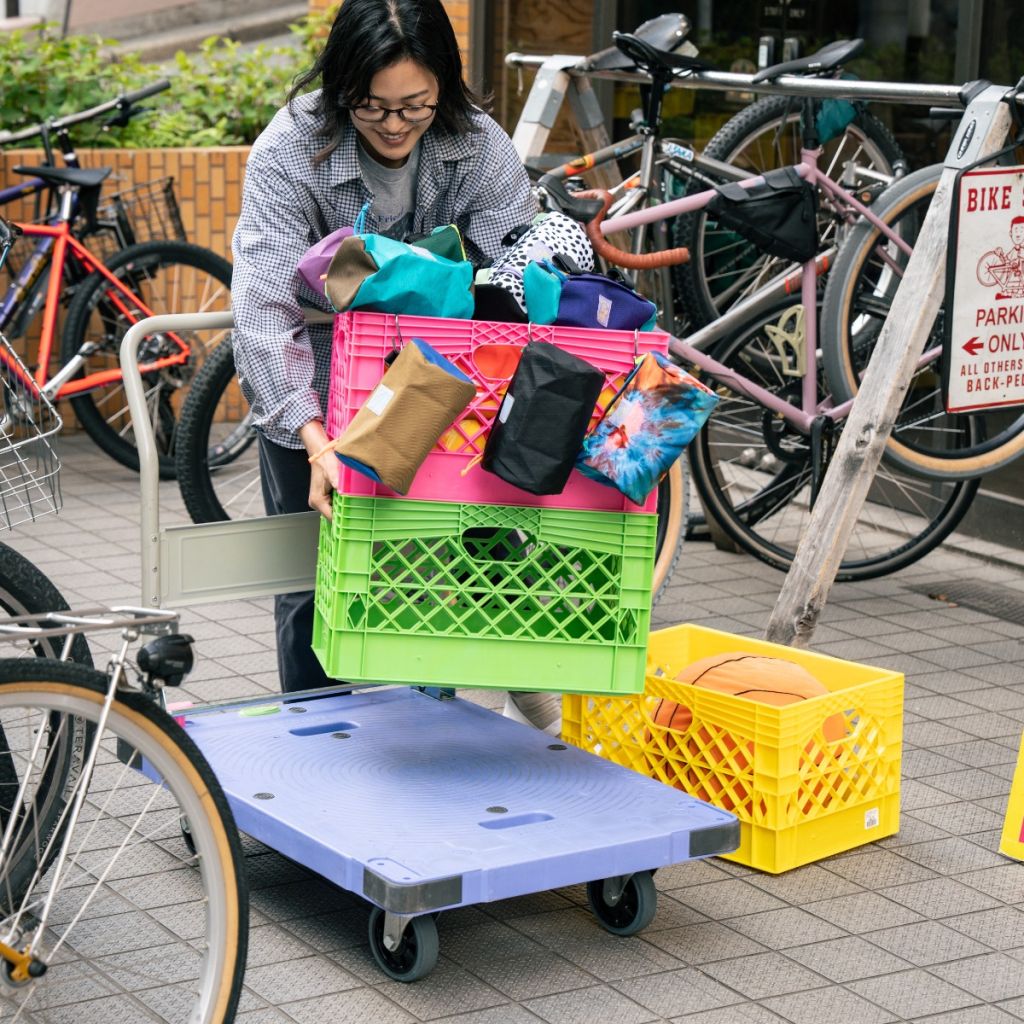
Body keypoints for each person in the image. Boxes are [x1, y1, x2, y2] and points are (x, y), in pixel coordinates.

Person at [231, 0, 536, 693]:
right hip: (317, 366)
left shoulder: (480, 145)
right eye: (373, 107)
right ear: (342, 89)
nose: (395, 125)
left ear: (444, 90)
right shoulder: (290, 147)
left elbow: (512, 281)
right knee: (312, 575)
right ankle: (319, 740)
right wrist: (315, 443)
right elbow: (263, 308)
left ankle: (426, 731)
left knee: (438, 560)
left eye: (415, 106)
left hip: (443, 374)